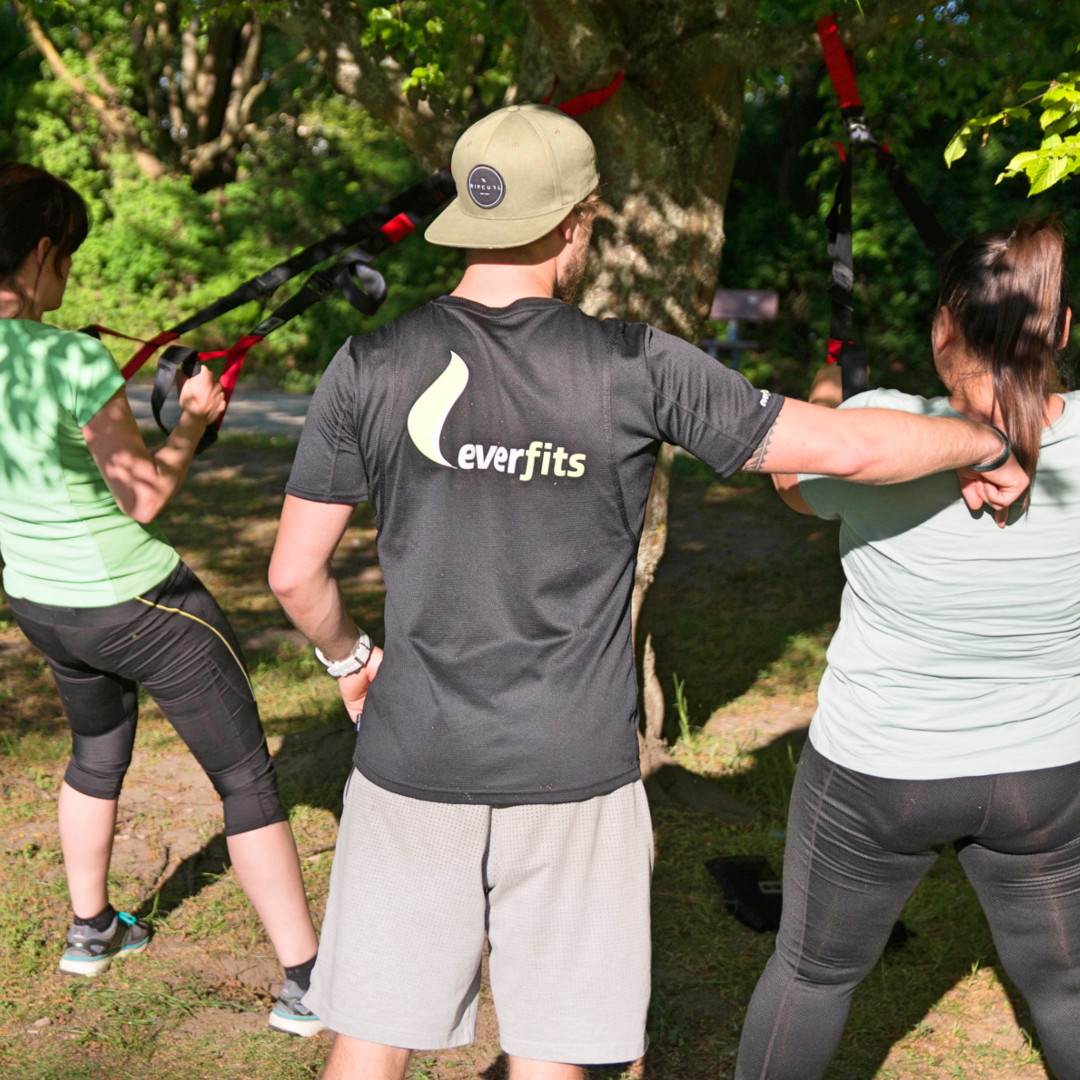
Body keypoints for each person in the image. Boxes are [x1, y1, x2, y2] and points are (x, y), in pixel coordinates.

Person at [267, 104, 1029, 1080]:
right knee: (555, 1054)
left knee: (370, 1041)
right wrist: (985, 437)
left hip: (412, 758)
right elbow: (840, 444)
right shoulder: (633, 366)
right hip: (574, 771)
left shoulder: (368, 363)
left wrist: (352, 660)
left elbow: (294, 572)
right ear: (577, 222)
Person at [737, 218, 1080, 1080]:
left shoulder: (877, 427)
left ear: (941, 330)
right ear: (1064, 329)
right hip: (1049, 773)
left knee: (812, 974)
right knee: (1070, 989)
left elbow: (789, 479)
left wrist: (829, 391)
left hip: (879, 775)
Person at [0, 163, 322, 1036]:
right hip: (139, 605)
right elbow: (139, 496)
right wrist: (192, 421)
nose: (65, 275)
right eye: (63, 257)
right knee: (246, 776)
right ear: (37, 254)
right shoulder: (67, 355)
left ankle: (92, 929)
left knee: (95, 752)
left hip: (39, 602)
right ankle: (307, 982)